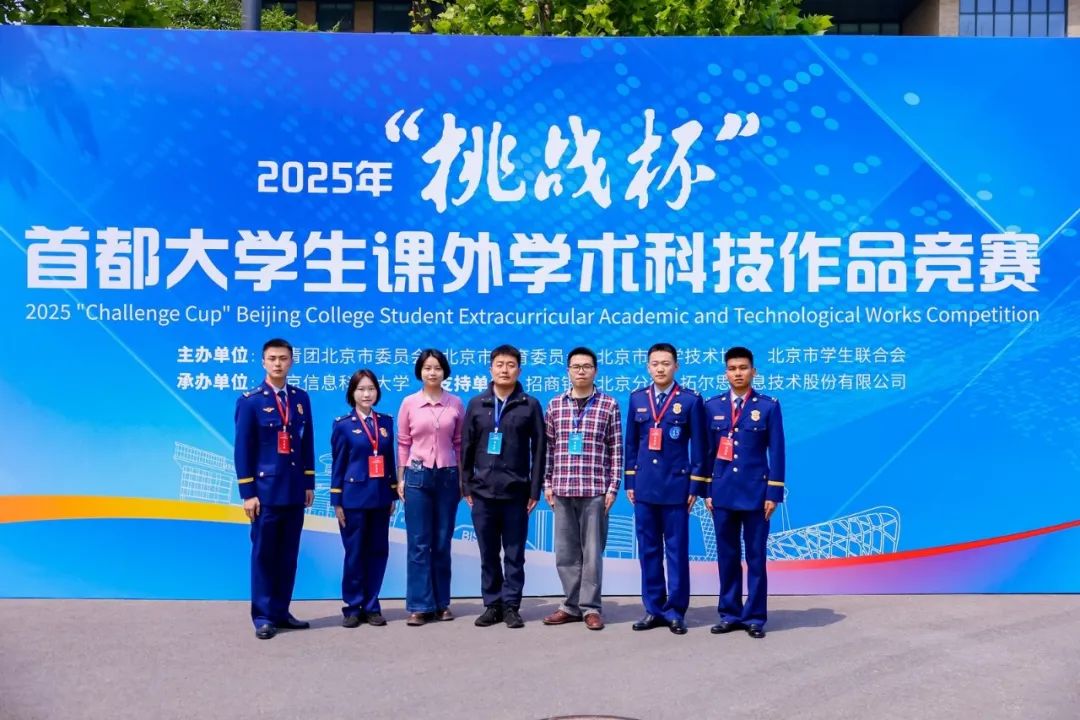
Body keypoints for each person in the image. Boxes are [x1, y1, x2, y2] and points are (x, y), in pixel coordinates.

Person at [696, 346, 785, 639]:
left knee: (756, 557)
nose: (738, 373)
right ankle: (730, 613)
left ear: (753, 371)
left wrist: (773, 493)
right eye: (733, 369)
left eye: (743, 368)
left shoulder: (768, 406)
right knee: (727, 555)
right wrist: (707, 489)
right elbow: (707, 452)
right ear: (726, 373)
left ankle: (755, 616)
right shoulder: (713, 406)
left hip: (756, 494)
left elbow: (777, 452)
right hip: (722, 492)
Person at [623, 342, 707, 635]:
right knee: (648, 550)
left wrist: (695, 485)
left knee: (676, 551)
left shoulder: (691, 400)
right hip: (645, 487)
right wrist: (630, 481)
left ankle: (675, 611)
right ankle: (654, 609)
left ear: (676, 367)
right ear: (648, 367)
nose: (660, 368)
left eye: (666, 363)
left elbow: (700, 447)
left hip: (676, 487)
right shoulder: (637, 398)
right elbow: (631, 444)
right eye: (655, 363)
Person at [233, 338, 315, 640]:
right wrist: (248, 493)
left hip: (294, 490)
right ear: (263, 362)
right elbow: (243, 449)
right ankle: (263, 616)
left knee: (288, 555)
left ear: (291, 361)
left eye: (283, 358)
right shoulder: (250, 401)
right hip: (265, 493)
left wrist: (308, 482)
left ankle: (281, 611)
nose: (278, 363)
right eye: (272, 358)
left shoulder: (300, 398)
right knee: (265, 556)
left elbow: (307, 442)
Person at [461, 344, 546, 629]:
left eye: (510, 365)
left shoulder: (529, 405)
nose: (505, 370)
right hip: (482, 492)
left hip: (516, 493)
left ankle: (511, 606)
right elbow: (466, 447)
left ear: (519, 370)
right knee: (488, 554)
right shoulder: (477, 404)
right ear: (491, 369)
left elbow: (539, 450)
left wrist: (534, 490)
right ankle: (492, 604)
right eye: (499, 364)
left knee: (514, 554)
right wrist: (466, 486)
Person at [542, 347, 623, 631]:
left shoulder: (609, 405)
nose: (581, 371)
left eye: (586, 366)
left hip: (595, 490)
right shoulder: (555, 405)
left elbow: (616, 448)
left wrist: (613, 488)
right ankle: (570, 605)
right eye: (576, 366)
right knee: (565, 554)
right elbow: (549, 449)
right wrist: (547, 484)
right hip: (562, 489)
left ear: (595, 371)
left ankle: (591, 607)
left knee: (592, 553)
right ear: (568, 371)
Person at [396, 349, 465, 626]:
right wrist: (401, 478)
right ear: (420, 372)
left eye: (437, 368)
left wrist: (462, 479)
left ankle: (441, 603)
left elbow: (459, 443)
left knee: (441, 542)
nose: (432, 372)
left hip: (448, 476)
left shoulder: (455, 403)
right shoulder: (409, 403)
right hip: (417, 476)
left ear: (444, 371)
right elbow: (403, 443)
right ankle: (419, 605)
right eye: (427, 368)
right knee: (418, 543)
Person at [330, 369, 398, 628]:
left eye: (371, 389)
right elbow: (338, 463)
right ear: (352, 393)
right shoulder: (343, 425)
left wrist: (392, 492)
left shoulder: (386, 422)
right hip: (353, 499)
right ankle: (352, 606)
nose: (366, 394)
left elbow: (389, 460)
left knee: (378, 552)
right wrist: (337, 500)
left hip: (380, 497)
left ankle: (371, 606)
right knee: (355, 553)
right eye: (361, 389)